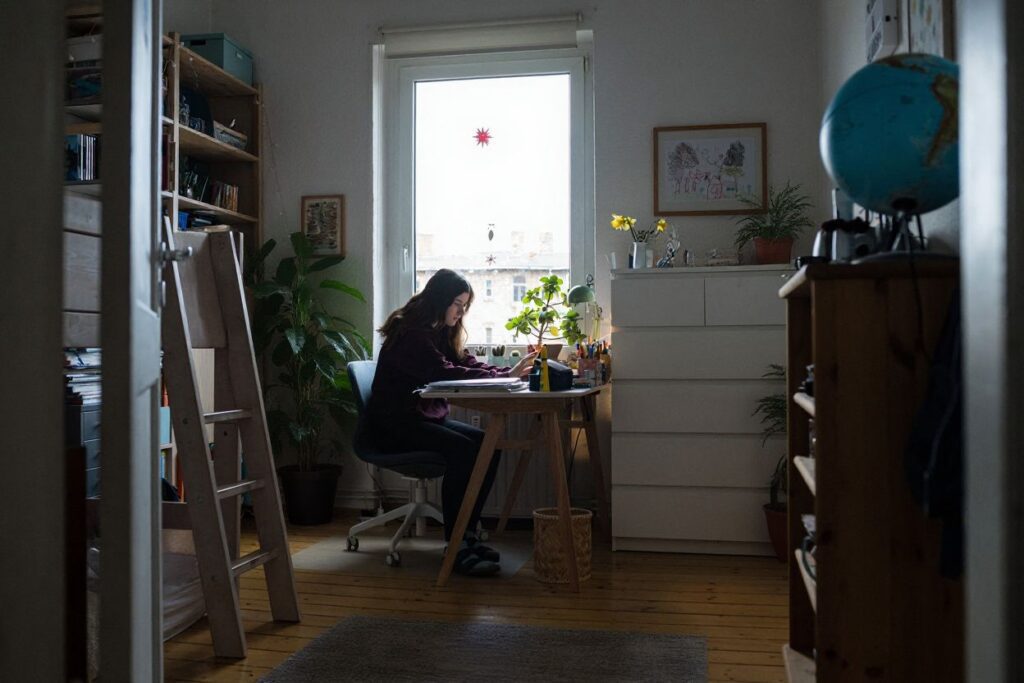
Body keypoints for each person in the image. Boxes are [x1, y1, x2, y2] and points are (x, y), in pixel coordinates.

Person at [368, 269, 535, 576]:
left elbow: (461, 362)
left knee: (488, 446)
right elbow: (444, 373)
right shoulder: (411, 334)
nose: (461, 312)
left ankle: (467, 534)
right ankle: (456, 545)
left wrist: (505, 373)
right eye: (457, 304)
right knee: (463, 451)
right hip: (393, 428)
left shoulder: (435, 331)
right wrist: (505, 377)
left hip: (418, 419)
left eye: (464, 306)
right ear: (440, 300)